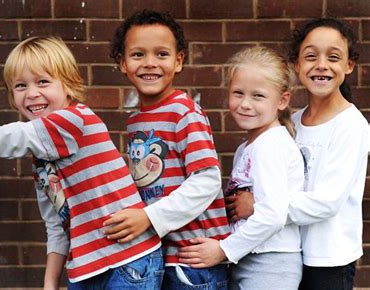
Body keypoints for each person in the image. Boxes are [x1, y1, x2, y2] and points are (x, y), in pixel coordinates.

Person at [0, 36, 164, 290]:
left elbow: (7, 137)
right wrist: (49, 281)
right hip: (87, 268)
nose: (32, 93)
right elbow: (57, 223)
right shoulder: (43, 155)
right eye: (21, 86)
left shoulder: (73, 121)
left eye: (43, 82)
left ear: (68, 84)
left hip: (130, 261)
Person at [227, 18, 369, 290]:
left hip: (329, 257)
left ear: (349, 65)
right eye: (311, 56)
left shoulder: (351, 125)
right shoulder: (293, 121)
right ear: (296, 64)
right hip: (294, 250)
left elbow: (327, 202)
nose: (321, 65)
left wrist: (258, 205)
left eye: (334, 57)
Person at [104, 9, 230, 289]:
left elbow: (207, 181)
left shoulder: (184, 112)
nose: (150, 63)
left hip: (194, 260)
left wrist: (149, 217)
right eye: (138, 55)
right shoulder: (136, 121)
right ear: (122, 63)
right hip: (161, 255)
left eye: (161, 54)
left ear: (179, 61)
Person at [177, 46, 305, 289]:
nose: (245, 104)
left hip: (270, 262)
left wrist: (224, 250)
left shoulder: (271, 145)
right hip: (251, 256)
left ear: (282, 100)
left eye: (258, 96)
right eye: (238, 93)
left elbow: (272, 215)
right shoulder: (248, 146)